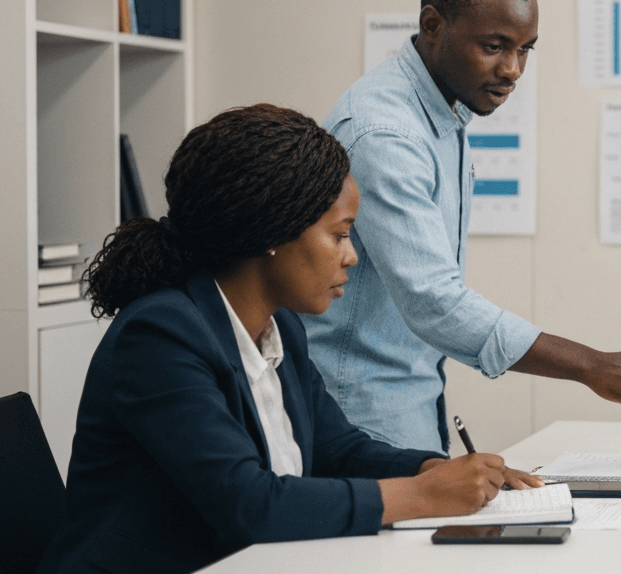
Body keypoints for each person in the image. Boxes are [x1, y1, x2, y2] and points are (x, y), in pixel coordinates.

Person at [38, 105, 542, 574]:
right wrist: (425, 496)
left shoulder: (281, 328)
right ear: (272, 233)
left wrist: (434, 469)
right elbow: (249, 504)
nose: (351, 256)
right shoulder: (160, 337)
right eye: (339, 234)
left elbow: (334, 448)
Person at [304, 0, 621, 454]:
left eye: (524, 50)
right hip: (360, 415)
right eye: (494, 47)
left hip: (408, 400)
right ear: (433, 26)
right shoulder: (386, 134)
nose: (512, 69)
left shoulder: (441, 112)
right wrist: (591, 365)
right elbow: (433, 301)